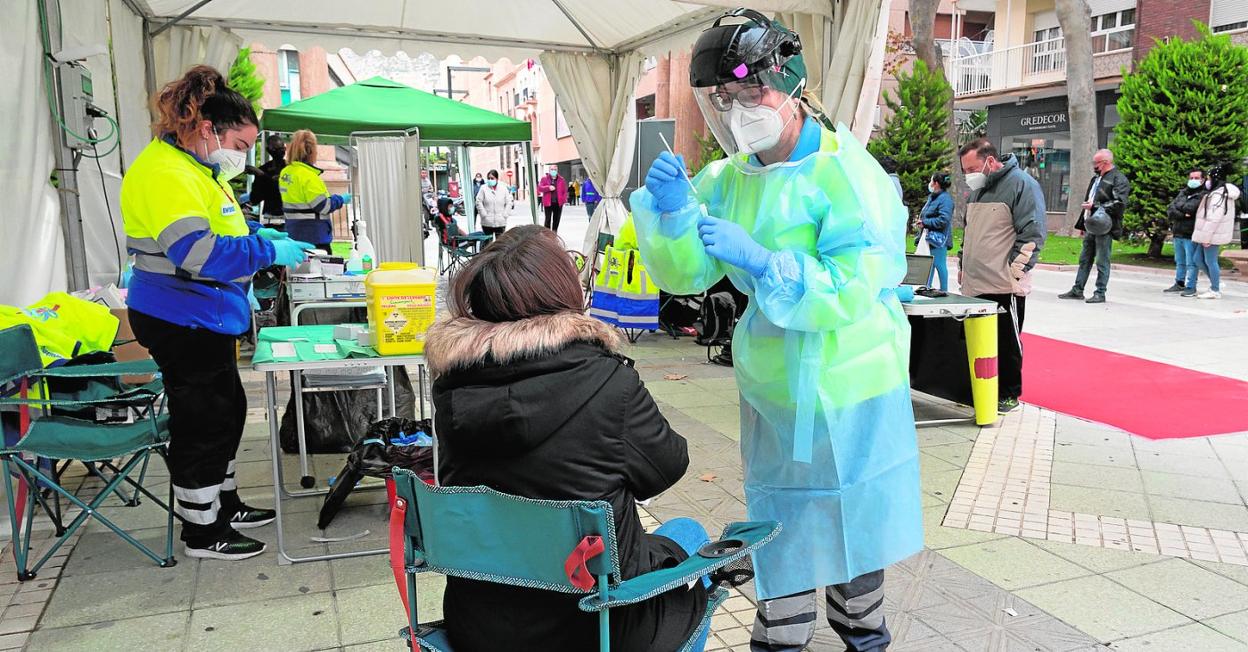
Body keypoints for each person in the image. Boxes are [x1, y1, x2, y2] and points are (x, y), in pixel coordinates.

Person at [632, 9, 922, 651]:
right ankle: (781, 633)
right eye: (725, 99)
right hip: (775, 384)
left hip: (853, 382)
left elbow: (852, 287)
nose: (739, 111)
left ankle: (863, 630)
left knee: (857, 518)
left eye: (750, 92)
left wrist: (767, 263)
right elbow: (687, 275)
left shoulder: (848, 175)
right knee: (779, 522)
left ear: (789, 83)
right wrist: (675, 215)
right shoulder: (731, 178)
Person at [425, 226, 711, 651]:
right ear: (563, 292)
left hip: (481, 629)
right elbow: (667, 467)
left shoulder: (451, 388)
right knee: (689, 532)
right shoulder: (610, 382)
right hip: (599, 630)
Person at [120, 65, 314, 560]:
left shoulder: (195, 167)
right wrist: (264, 254)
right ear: (208, 129)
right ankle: (202, 532)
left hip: (207, 313)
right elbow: (196, 254)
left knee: (228, 412)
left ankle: (224, 504)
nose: (244, 156)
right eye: (243, 144)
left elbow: (221, 228)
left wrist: (256, 236)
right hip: (179, 316)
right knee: (202, 421)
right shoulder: (165, 173)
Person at [957, 137, 1046, 413]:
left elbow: (1032, 234)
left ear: (990, 161)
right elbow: (970, 233)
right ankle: (980, 388)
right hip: (975, 282)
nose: (968, 176)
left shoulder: (1022, 185)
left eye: (972, 169)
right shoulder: (979, 191)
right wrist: (962, 264)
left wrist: (1014, 274)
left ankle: (1009, 393)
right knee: (975, 341)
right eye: (965, 171)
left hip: (1003, 284)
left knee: (1007, 342)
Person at [1059, 149, 1130, 303]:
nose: (1094, 165)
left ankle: (1100, 292)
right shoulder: (1096, 178)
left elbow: (1120, 203)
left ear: (1105, 163)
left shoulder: (1119, 179)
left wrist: (1095, 205)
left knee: (1102, 260)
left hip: (1105, 226)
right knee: (1085, 258)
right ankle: (1078, 289)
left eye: (1096, 163)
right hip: (1092, 223)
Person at [280, 129, 351, 254]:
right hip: (315, 236)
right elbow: (323, 206)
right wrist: (340, 199)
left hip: (293, 233)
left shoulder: (286, 173)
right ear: (312, 152)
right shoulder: (309, 177)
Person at [1189, 162, 1241, 299]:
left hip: (1212, 234)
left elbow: (1214, 218)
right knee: (1198, 259)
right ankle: (1215, 282)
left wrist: (1206, 237)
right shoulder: (1215, 193)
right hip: (1208, 233)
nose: (1207, 181)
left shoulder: (1219, 195)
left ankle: (1215, 289)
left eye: (1209, 178)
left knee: (1210, 261)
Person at [1165, 167, 1207, 293]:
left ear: (1203, 180)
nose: (1193, 180)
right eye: (1191, 178)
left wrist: (1180, 209)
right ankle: (1179, 283)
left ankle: (1191, 286)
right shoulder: (1183, 192)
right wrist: (1183, 213)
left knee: (1191, 262)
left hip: (1191, 233)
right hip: (1178, 232)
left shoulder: (1203, 195)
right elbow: (1170, 209)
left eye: (1196, 178)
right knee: (1180, 261)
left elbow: (1191, 209)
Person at [919, 171, 955, 290]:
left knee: (939, 264)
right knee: (930, 265)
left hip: (939, 239)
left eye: (931, 181)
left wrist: (926, 223)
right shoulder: (934, 197)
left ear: (936, 183)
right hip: (929, 237)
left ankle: (944, 290)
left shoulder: (945, 199)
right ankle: (926, 286)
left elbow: (943, 220)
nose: (930, 184)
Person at [242, 134, 286, 221]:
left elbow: (282, 187)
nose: (279, 151)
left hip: (289, 215)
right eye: (274, 149)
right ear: (268, 150)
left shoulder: (289, 168)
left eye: (281, 148)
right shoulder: (264, 169)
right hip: (270, 216)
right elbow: (256, 198)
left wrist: (262, 175)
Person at [473, 169, 513, 238]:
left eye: (492, 178)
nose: (490, 180)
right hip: (487, 222)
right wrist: (483, 214)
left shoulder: (503, 189)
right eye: (488, 178)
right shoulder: (483, 188)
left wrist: (505, 214)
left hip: (500, 222)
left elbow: (509, 202)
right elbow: (478, 201)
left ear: (497, 179)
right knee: (488, 244)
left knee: (500, 244)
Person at [538, 165, 568, 232]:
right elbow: (540, 188)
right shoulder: (544, 179)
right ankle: (547, 234)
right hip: (548, 203)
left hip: (558, 203)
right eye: (552, 169)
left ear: (557, 171)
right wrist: (548, 188)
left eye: (555, 169)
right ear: (549, 170)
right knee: (548, 219)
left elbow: (565, 191)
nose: (553, 171)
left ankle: (554, 233)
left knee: (556, 220)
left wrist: (563, 200)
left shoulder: (561, 179)